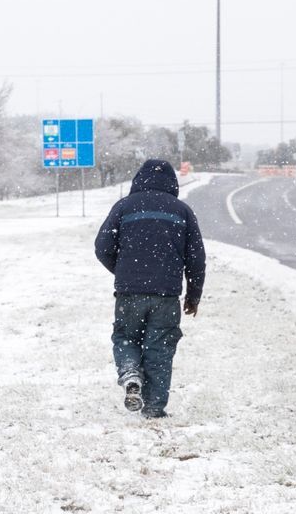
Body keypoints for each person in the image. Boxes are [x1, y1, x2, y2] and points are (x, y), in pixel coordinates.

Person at [94, 159, 205, 418]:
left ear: (138, 180)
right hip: (166, 295)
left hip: (129, 292)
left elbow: (102, 247)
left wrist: (123, 271)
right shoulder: (182, 211)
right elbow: (196, 258)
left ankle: (130, 372)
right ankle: (154, 408)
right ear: (172, 183)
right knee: (160, 347)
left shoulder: (124, 207)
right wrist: (193, 295)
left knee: (125, 337)